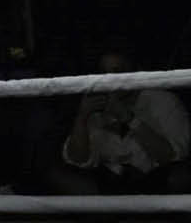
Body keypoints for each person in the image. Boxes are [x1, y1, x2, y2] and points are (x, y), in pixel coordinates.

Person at [48, 47, 191, 194]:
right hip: (108, 186)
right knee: (59, 174)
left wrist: (128, 118)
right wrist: (82, 117)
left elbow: (171, 157)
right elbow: (78, 159)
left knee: (179, 176)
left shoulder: (163, 101)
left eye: (118, 72)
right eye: (104, 73)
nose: (109, 80)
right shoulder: (95, 104)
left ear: (136, 72)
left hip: (156, 182)